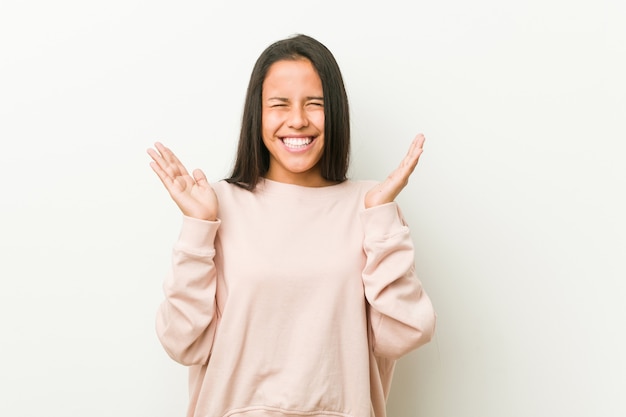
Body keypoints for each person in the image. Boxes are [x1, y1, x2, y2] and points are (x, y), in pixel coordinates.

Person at [147, 33, 436, 417]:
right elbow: (182, 342)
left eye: (314, 104)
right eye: (279, 104)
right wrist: (199, 226)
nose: (297, 120)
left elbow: (403, 334)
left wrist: (381, 218)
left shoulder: (369, 205)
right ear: (258, 114)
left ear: (334, 111)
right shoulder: (218, 205)